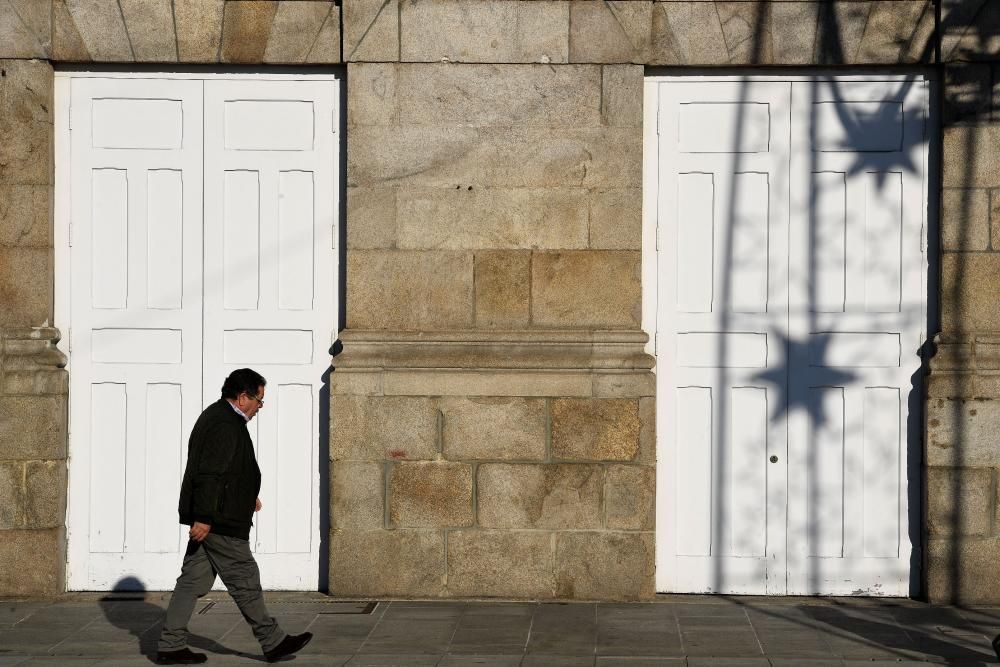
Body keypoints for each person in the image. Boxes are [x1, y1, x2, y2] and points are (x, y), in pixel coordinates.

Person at [156, 368, 312, 665]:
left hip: (217, 514)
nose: (260, 408)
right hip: (219, 521)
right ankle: (273, 640)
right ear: (243, 398)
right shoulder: (225, 424)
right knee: (244, 578)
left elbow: (226, 472)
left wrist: (244, 496)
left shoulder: (219, 417)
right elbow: (210, 474)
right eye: (259, 400)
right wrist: (203, 516)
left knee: (192, 580)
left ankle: (170, 644)